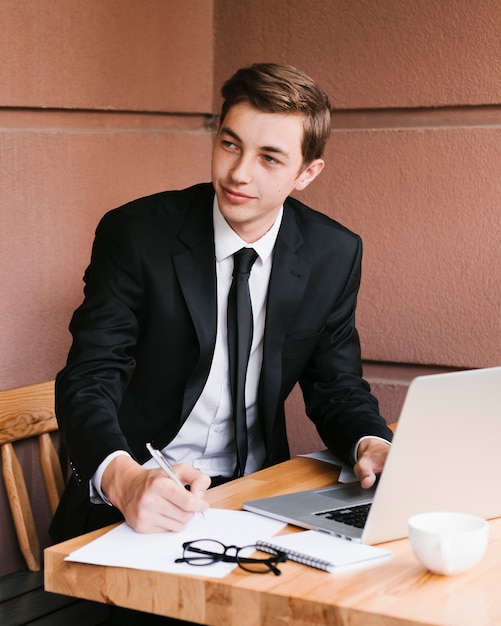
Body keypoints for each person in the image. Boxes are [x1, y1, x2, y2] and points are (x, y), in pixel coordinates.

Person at [51, 63, 393, 549]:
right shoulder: (135, 234)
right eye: (230, 144)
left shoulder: (332, 253)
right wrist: (121, 478)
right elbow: (89, 376)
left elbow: (335, 385)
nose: (238, 173)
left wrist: (372, 443)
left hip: (261, 498)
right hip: (138, 497)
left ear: (307, 173)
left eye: (270, 158)